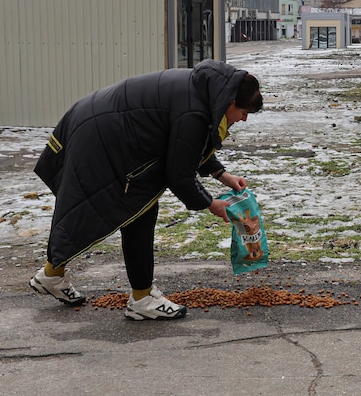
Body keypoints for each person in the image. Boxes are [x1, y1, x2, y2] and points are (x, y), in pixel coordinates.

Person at [30, 59, 263, 320]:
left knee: (126, 208)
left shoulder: (205, 91)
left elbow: (186, 143)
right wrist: (211, 204)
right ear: (231, 102)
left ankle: (53, 275)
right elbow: (179, 174)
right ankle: (141, 298)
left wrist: (222, 175)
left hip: (98, 122)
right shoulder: (194, 112)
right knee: (132, 208)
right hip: (102, 138)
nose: (243, 120)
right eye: (244, 113)